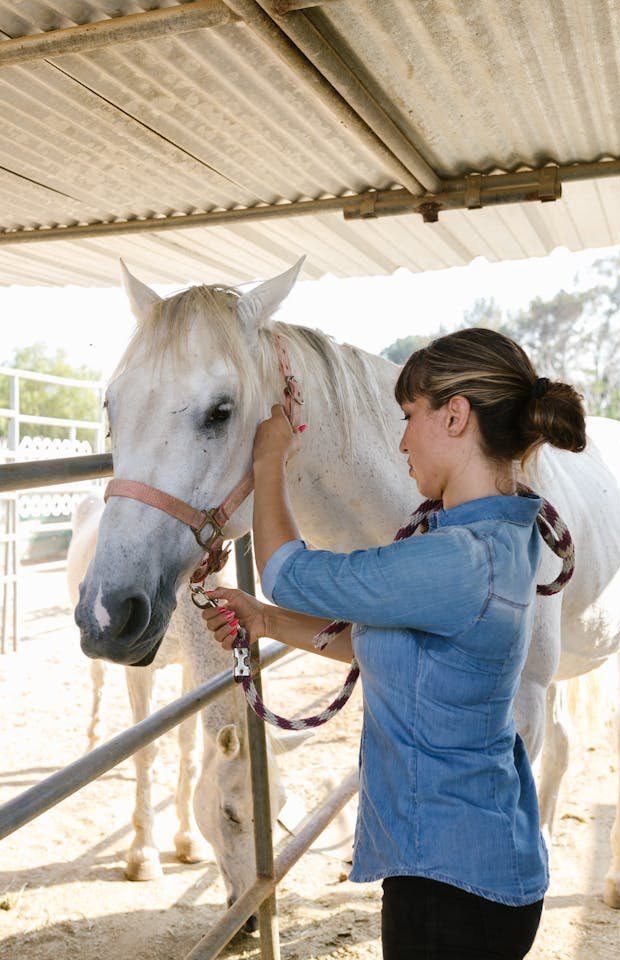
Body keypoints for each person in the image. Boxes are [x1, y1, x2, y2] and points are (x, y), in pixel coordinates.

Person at [201, 327, 587, 960]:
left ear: (456, 416)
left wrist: (269, 459)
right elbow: (386, 648)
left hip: (453, 885)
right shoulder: (493, 536)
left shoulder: (460, 558)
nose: (402, 440)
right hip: (464, 868)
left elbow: (288, 570)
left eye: (411, 417)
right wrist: (266, 623)